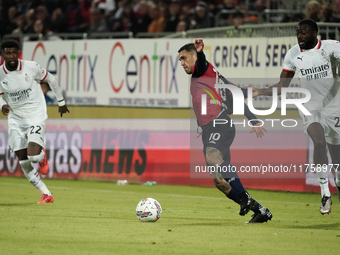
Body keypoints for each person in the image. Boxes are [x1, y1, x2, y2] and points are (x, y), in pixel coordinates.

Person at [178, 39, 273, 223]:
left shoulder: (202, 69)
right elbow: (240, 95)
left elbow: (202, 63)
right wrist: (254, 118)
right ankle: (259, 210)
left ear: (194, 57)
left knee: (213, 156)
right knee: (220, 181)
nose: (182, 63)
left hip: (219, 124)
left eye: (184, 58)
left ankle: (244, 198)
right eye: (180, 60)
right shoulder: (217, 79)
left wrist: (201, 53)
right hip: (209, 130)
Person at [252, 19, 340, 215]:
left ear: (315, 33)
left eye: (304, 32)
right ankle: (325, 193)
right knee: (318, 142)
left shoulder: (331, 47)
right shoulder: (293, 54)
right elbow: (282, 86)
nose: (300, 36)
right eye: (298, 32)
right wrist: (260, 91)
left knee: (337, 160)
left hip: (334, 107)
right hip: (311, 106)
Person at [0, 39, 70, 203]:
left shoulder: (31, 67)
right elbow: (0, 95)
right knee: (23, 161)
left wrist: (61, 102)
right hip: (16, 120)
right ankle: (46, 194)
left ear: (19, 53)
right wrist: (3, 105)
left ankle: (42, 155)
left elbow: (51, 79)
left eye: (14, 52)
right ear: (2, 54)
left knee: (33, 157)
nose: (11, 56)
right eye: (7, 53)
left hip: (35, 116)